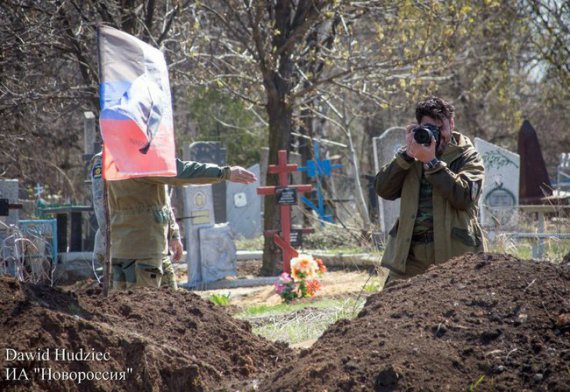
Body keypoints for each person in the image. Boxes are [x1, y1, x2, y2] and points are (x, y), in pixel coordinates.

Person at [375, 95, 486, 285]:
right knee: (388, 308)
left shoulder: (467, 155)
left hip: (454, 255)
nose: (437, 135)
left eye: (441, 128)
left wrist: (432, 163)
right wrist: (407, 156)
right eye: (430, 128)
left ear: (451, 123)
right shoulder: (412, 154)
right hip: (411, 257)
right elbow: (383, 189)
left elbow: (465, 197)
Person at [107, 157, 256, 289]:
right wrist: (225, 172)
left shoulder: (109, 157)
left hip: (121, 247)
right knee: (145, 309)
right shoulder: (140, 160)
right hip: (144, 252)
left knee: (129, 309)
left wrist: (173, 233)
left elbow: (158, 199)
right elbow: (181, 172)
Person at [89, 152, 197, 289]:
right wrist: (111, 240)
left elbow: (162, 200)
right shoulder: (104, 159)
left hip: (154, 244)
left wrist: (173, 234)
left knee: (170, 298)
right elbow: (101, 204)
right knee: (131, 301)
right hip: (120, 246)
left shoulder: (148, 155)